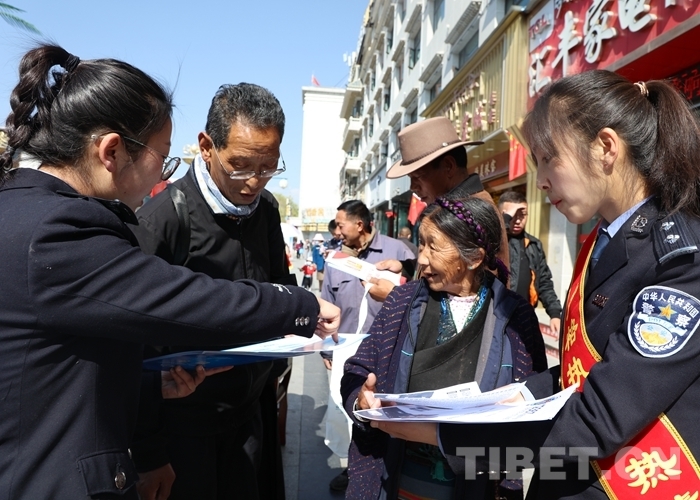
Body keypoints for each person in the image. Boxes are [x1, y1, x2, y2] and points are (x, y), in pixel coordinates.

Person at [0, 44, 340, 500]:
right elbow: (188, 300)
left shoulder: (26, 211)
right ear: (112, 151)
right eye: (164, 158)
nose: (254, 181)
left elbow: (65, 360)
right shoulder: (60, 232)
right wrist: (299, 305)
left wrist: (148, 383)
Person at [367, 70, 700, 498]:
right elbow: (585, 370)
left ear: (606, 147)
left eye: (548, 158)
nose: (540, 180)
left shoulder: (681, 259)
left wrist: (442, 434)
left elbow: (600, 416)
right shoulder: (604, 237)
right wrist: (516, 396)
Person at [130, 83, 295, 500]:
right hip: (183, 428)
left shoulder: (266, 211)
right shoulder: (163, 218)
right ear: (207, 147)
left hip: (250, 414)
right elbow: (133, 343)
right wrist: (149, 452)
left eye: (268, 167)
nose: (253, 182)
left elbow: (281, 287)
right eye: (239, 165)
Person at [341, 196, 547, 499]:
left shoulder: (516, 317)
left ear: (474, 258)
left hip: (481, 483)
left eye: (433, 247)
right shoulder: (402, 303)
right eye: (421, 245)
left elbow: (535, 399)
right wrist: (361, 401)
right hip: (396, 478)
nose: (422, 259)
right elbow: (358, 369)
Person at [322, 199, 415, 491]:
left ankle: (383, 470)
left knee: (380, 409)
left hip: (387, 349)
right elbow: (326, 301)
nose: (337, 231)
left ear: (359, 225)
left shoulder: (396, 251)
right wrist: (326, 348)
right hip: (345, 349)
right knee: (346, 407)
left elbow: (418, 290)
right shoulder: (336, 259)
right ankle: (352, 469)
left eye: (341, 225)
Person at [368, 116, 510, 302]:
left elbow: (469, 299)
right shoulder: (452, 208)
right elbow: (453, 267)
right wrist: (407, 268)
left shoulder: (471, 213)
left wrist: (397, 298)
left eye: (418, 177)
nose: (412, 187)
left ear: (448, 167)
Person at [498, 190, 562, 335]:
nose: (518, 220)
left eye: (522, 215)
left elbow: (544, 281)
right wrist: (504, 222)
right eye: (512, 215)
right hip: (497, 318)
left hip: (525, 318)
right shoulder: (495, 243)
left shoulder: (533, 244)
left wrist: (554, 313)